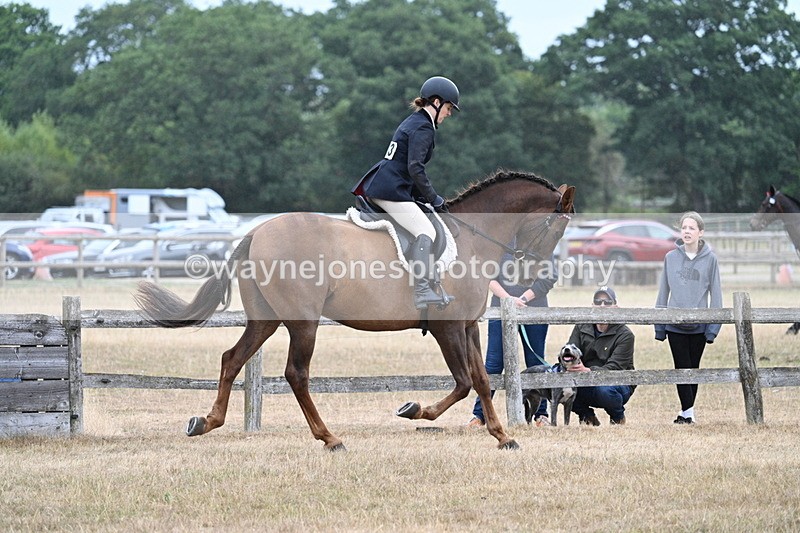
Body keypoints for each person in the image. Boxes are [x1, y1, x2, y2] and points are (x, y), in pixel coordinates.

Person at [351, 76, 460, 310]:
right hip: (391, 189)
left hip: (388, 184)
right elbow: (415, 168)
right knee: (426, 230)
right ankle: (422, 291)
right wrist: (434, 198)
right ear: (437, 102)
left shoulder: (414, 121)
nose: (449, 113)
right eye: (449, 108)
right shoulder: (423, 127)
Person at [467, 252, 558, 428]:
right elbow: (487, 276)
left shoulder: (542, 243)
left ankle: (541, 415)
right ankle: (480, 415)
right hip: (500, 308)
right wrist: (508, 300)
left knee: (535, 362)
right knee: (493, 363)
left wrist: (522, 300)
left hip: (534, 309)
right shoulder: (501, 240)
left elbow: (549, 277)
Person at [655, 211, 722, 425]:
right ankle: (688, 413)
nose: (687, 231)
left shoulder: (710, 260)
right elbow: (663, 292)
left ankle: (686, 413)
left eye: (692, 228)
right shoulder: (670, 258)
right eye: (684, 227)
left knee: (693, 368)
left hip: (700, 326)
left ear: (700, 232)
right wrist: (660, 326)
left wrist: (712, 328)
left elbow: (716, 295)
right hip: (675, 325)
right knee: (681, 368)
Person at [566, 286, 635, 426]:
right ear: (592, 305)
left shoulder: (625, 335)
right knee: (558, 387)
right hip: (584, 379)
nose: (602, 305)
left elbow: (615, 367)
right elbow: (571, 350)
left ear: (615, 306)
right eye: (598, 302)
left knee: (605, 390)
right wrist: (570, 364)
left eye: (607, 302)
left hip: (616, 382)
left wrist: (589, 371)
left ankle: (618, 417)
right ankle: (587, 416)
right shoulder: (581, 326)